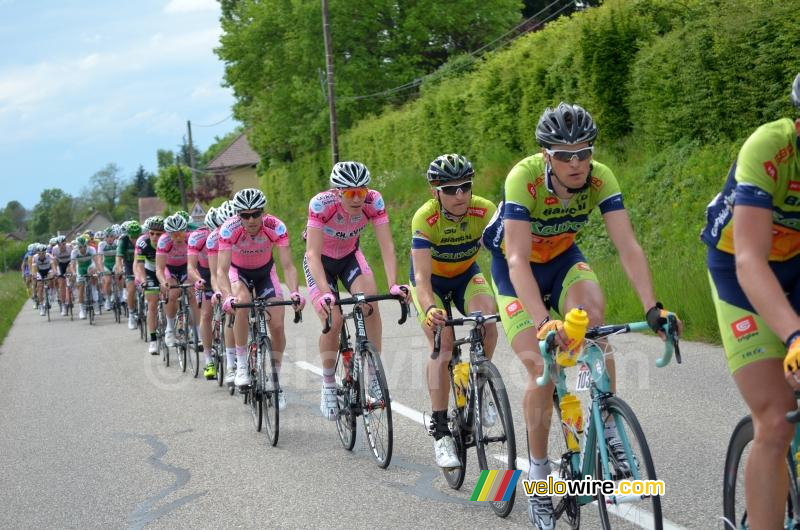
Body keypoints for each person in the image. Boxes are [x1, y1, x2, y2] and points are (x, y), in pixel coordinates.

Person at [482, 102, 680, 529]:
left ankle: (606, 423)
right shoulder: (523, 178)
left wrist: (653, 307)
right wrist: (543, 324)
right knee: (543, 367)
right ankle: (538, 476)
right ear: (546, 156)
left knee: (593, 319)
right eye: (564, 155)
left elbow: (627, 246)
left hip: (562, 259)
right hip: (515, 269)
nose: (576, 163)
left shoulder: (601, 177)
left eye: (584, 152)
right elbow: (516, 259)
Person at [706, 74, 800, 529]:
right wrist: (794, 336)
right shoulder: (770, 148)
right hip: (740, 269)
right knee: (777, 418)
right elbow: (749, 260)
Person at [409, 154, 498, 468]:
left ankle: (479, 386)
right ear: (435, 191)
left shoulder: (485, 210)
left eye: (465, 187)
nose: (459, 195)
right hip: (431, 282)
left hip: (465, 275)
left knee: (487, 321)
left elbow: (507, 256)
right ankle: (440, 431)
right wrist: (430, 308)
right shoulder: (425, 218)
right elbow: (421, 277)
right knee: (443, 343)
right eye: (450, 190)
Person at [304, 161, 408, 421]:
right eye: (350, 193)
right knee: (334, 319)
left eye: (361, 191)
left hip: (350, 257)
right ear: (337, 192)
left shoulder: (374, 201)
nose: (357, 198)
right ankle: (328, 384)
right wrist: (326, 292)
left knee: (370, 303)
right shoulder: (321, 204)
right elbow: (312, 254)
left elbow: (387, 246)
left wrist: (393, 283)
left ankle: (372, 375)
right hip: (321, 263)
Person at [217, 188, 305, 409]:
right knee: (242, 302)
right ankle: (242, 366)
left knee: (277, 324)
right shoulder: (229, 229)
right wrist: (227, 296)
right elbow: (221, 270)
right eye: (245, 215)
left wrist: (294, 291)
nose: (251, 220)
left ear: (263, 213)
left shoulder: (276, 226)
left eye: (256, 214)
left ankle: (275, 381)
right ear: (238, 215)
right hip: (239, 273)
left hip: (266, 273)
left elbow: (288, 266)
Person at [155, 214, 194, 349]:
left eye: (180, 233)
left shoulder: (191, 238)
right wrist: (163, 282)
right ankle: (170, 329)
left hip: (185, 267)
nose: (177, 237)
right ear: (168, 233)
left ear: (185, 230)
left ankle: (193, 327)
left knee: (192, 290)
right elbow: (159, 268)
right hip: (169, 268)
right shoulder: (163, 241)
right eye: (173, 234)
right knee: (172, 292)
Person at [188, 207, 216, 379]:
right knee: (206, 314)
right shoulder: (198, 236)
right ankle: (209, 360)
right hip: (205, 274)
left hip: (225, 272)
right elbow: (190, 266)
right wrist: (198, 280)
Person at [134, 216, 165, 354]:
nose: (154, 237)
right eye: (151, 233)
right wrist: (143, 280)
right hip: (149, 271)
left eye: (158, 234)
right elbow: (139, 265)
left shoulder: (167, 241)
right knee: (152, 304)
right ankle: (153, 340)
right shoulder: (143, 243)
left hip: (164, 270)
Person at [117, 221, 142, 329]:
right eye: (132, 237)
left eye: (137, 237)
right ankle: (131, 314)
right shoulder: (123, 240)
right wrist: (119, 268)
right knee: (131, 290)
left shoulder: (143, 238)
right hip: (129, 265)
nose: (135, 240)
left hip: (141, 264)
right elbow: (118, 257)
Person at [70, 236, 102, 320]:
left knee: (93, 278)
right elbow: (72, 265)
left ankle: (95, 303)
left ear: (87, 245)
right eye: (80, 247)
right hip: (80, 268)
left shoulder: (91, 249)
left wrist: (98, 271)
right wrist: (74, 273)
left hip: (90, 266)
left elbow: (96, 261)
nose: (83, 249)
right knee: (81, 287)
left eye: (84, 246)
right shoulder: (74, 252)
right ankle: (82, 310)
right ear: (77, 247)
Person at [50, 236, 73, 316]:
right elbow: (54, 262)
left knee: (71, 277)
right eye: (60, 245)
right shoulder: (54, 249)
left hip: (69, 263)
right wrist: (55, 271)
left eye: (63, 244)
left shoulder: (70, 247)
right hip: (60, 265)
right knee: (61, 284)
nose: (62, 246)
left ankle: (72, 289)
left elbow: (74, 259)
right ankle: (63, 305)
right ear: (57, 245)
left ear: (65, 243)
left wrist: (72, 270)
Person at [31, 244, 56, 316]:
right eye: (39, 253)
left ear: (45, 252)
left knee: (51, 278)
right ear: (37, 253)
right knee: (39, 287)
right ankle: (41, 306)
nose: (41, 255)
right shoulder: (34, 258)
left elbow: (53, 267)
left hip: (48, 270)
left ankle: (50, 293)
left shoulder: (49, 256)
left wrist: (54, 273)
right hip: (40, 271)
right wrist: (34, 275)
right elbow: (34, 270)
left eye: (43, 253)